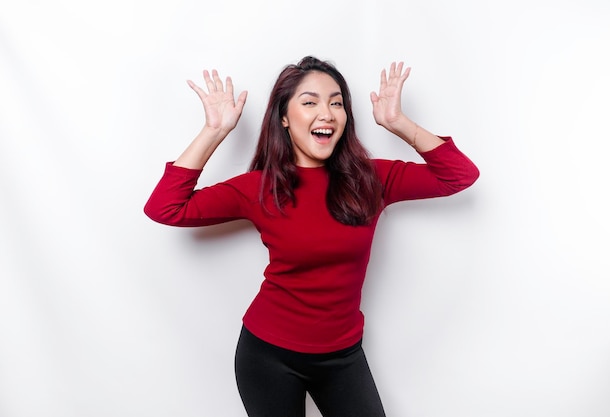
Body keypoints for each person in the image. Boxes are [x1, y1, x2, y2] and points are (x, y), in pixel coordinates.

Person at [144, 56, 479, 417]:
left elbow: (458, 176)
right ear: (284, 119)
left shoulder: (372, 179)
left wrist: (399, 123)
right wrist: (213, 132)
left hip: (343, 356)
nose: (327, 113)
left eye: (336, 102)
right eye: (310, 102)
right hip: (268, 354)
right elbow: (165, 208)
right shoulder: (260, 188)